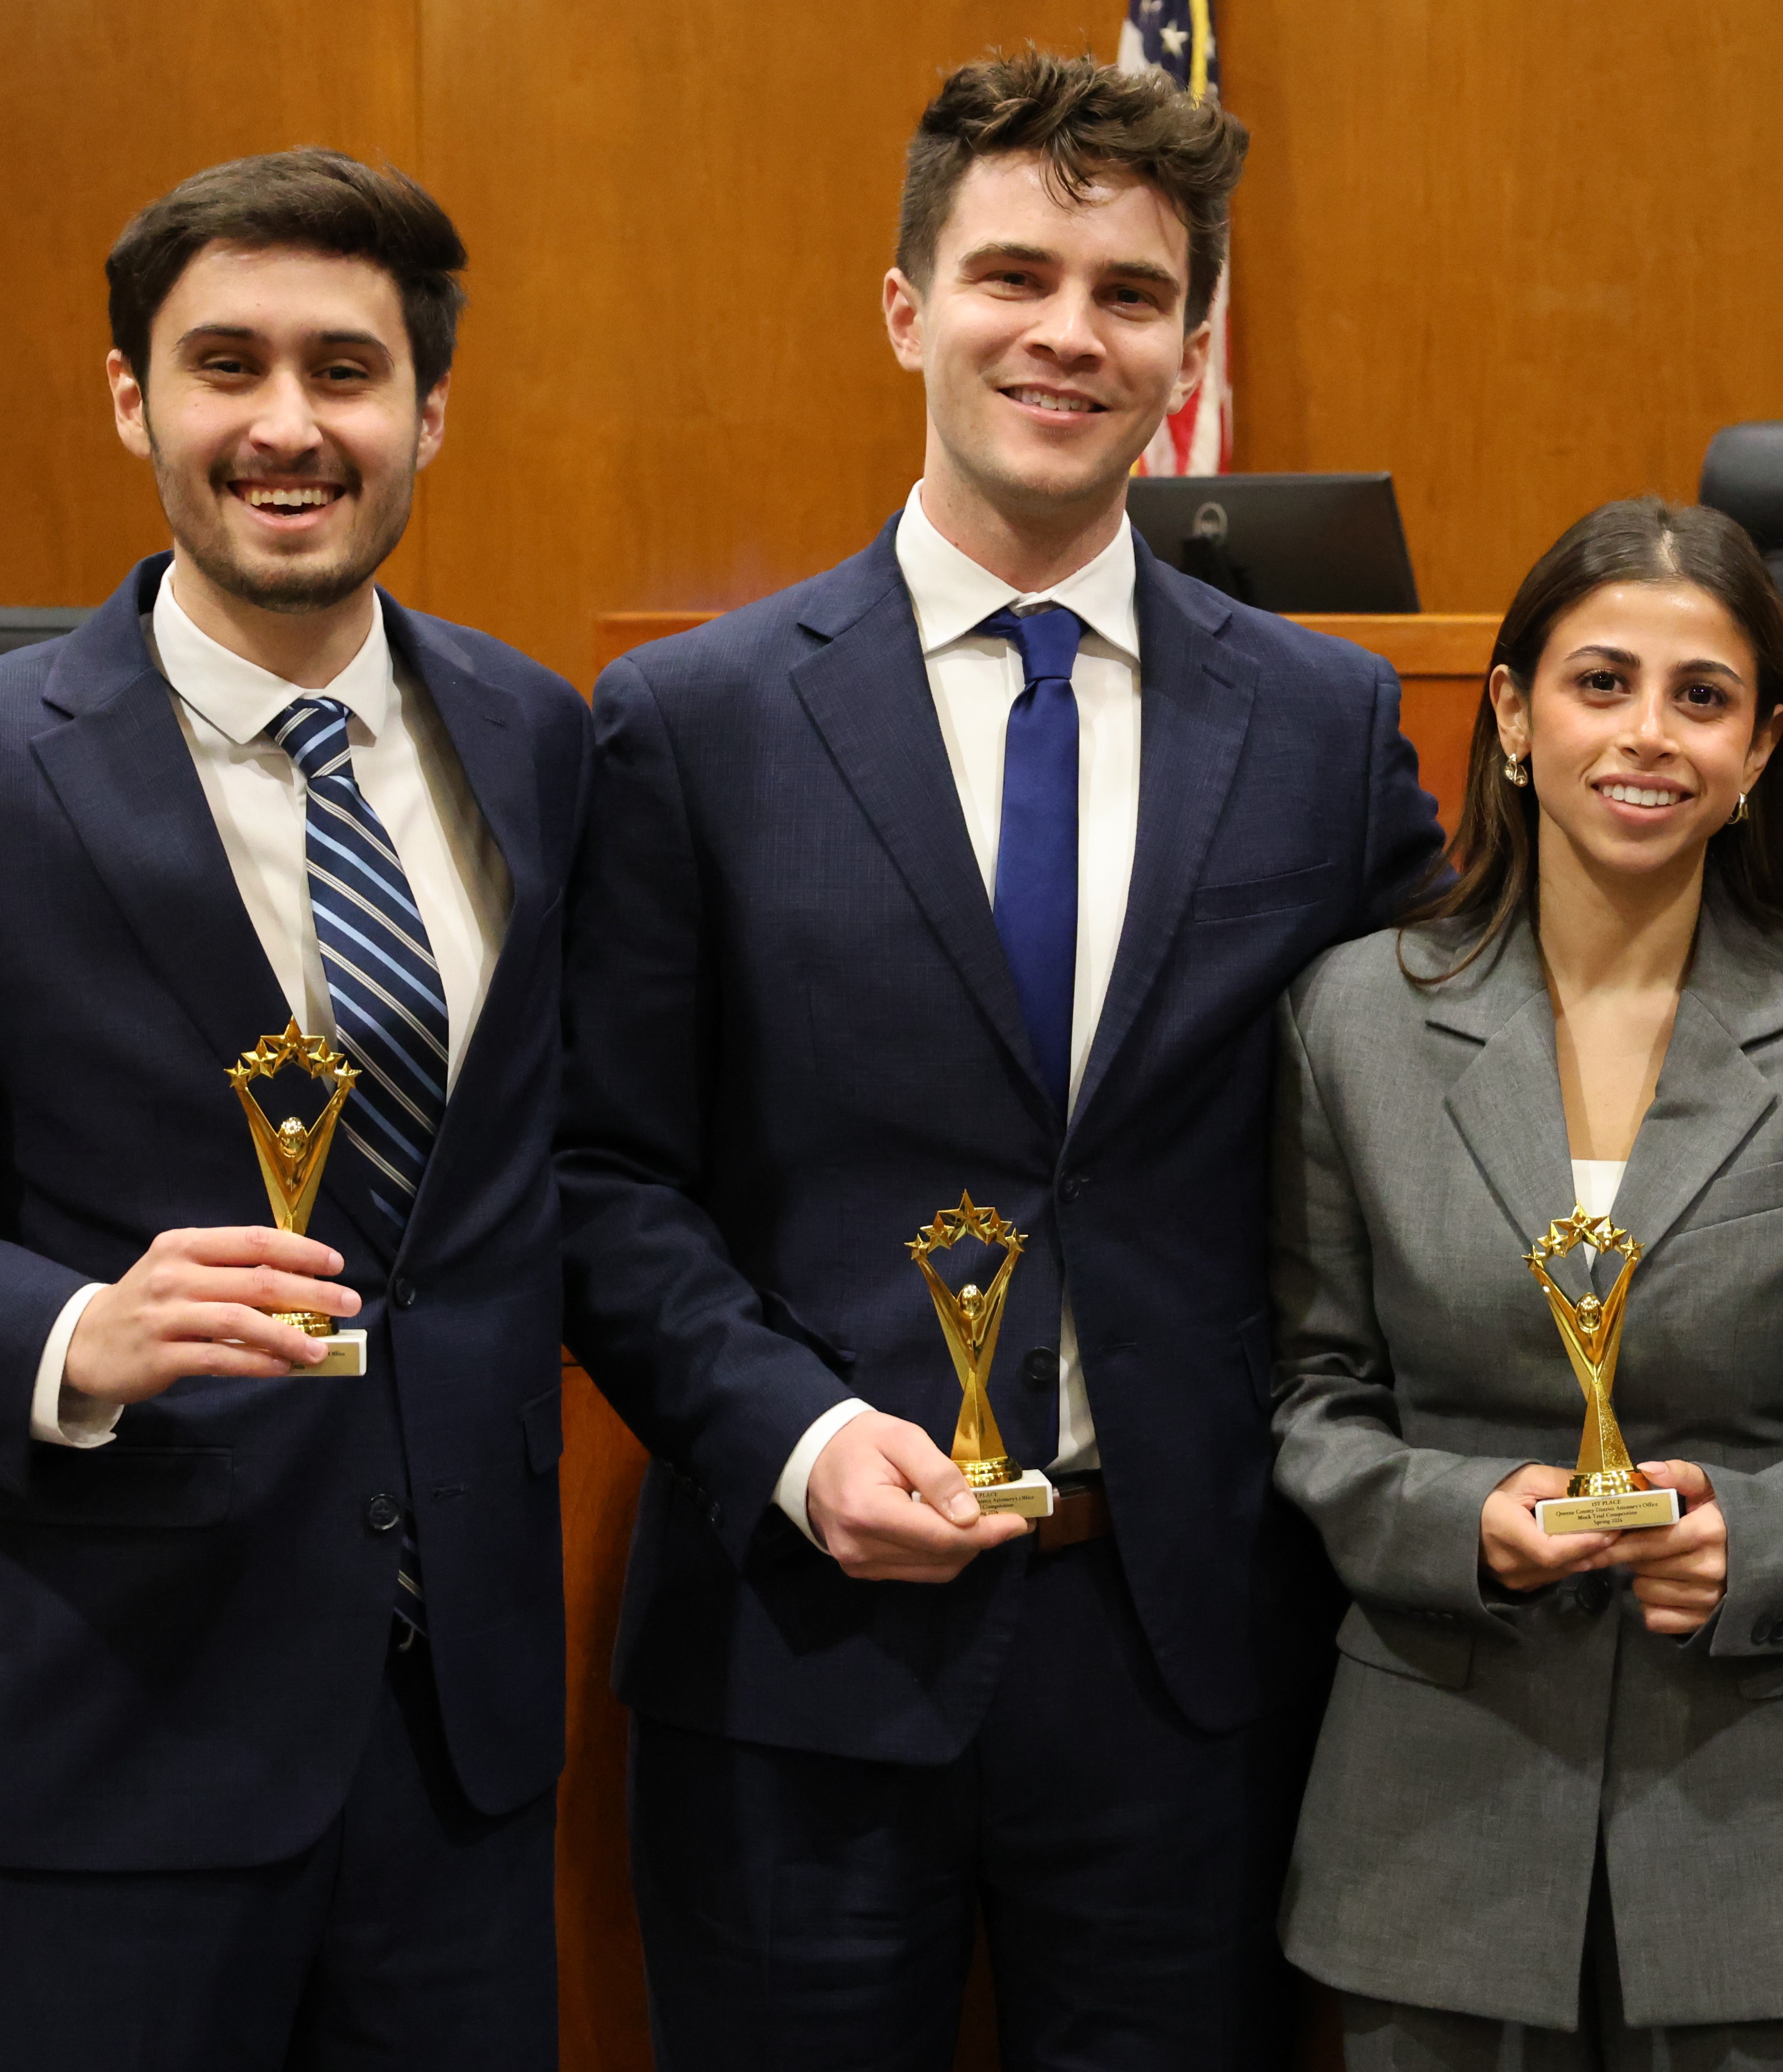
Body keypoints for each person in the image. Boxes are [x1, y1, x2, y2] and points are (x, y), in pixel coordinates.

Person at [555, 49, 1447, 2072]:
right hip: (795, 1644)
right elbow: (600, 1175)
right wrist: (789, 1435)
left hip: (1181, 1653)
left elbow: (1449, 1090)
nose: (1068, 332)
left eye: (1129, 293)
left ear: (1187, 345)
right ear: (905, 308)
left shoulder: (1320, 726)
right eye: (1013, 274)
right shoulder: (688, 724)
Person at [0, 151, 590, 2070]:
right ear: (132, 397)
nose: (287, 426)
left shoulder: (539, 738)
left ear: (429, 411)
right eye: (226, 366)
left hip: (455, 1764)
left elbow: (552, 1182)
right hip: (101, 1761)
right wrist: (66, 1331)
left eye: (345, 371)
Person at [1269, 497, 1783, 2071]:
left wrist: (1775, 1540)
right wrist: (1458, 1520)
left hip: (1775, 1817)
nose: (1646, 735)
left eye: (1701, 696)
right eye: (1599, 683)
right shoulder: (1352, 1022)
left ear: (1759, 750)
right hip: (1435, 1823)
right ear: (1512, 714)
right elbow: (1310, 1395)